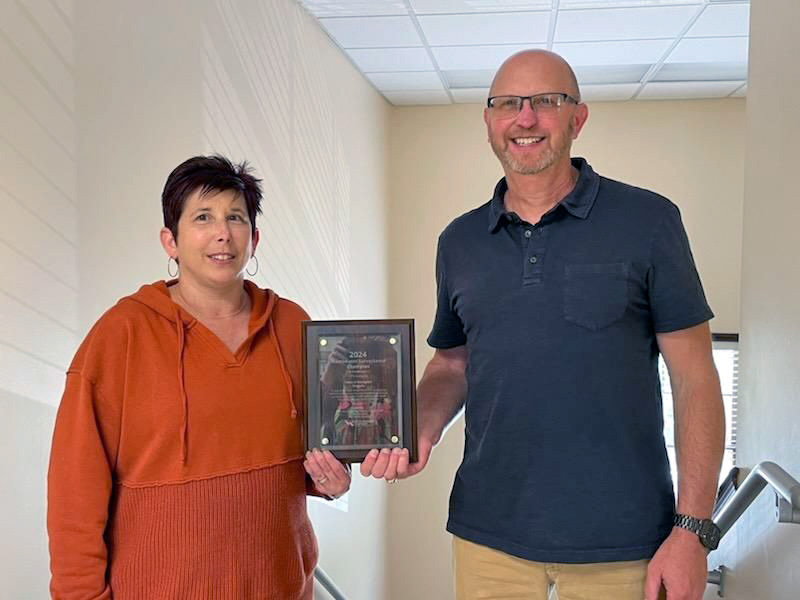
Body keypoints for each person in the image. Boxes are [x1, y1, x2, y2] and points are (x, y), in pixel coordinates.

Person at [362, 50, 725, 600]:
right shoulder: (458, 242)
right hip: (489, 535)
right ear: (489, 121)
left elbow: (696, 378)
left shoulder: (649, 221)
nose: (525, 118)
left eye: (546, 102)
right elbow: (453, 362)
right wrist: (419, 427)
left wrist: (693, 531)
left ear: (577, 118)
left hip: (624, 541)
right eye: (507, 103)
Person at [47, 155, 350, 599]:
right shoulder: (121, 334)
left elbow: (315, 448)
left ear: (254, 237)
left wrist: (332, 479)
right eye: (203, 217)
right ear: (170, 241)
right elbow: (74, 489)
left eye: (236, 217)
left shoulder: (292, 326)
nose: (222, 233)